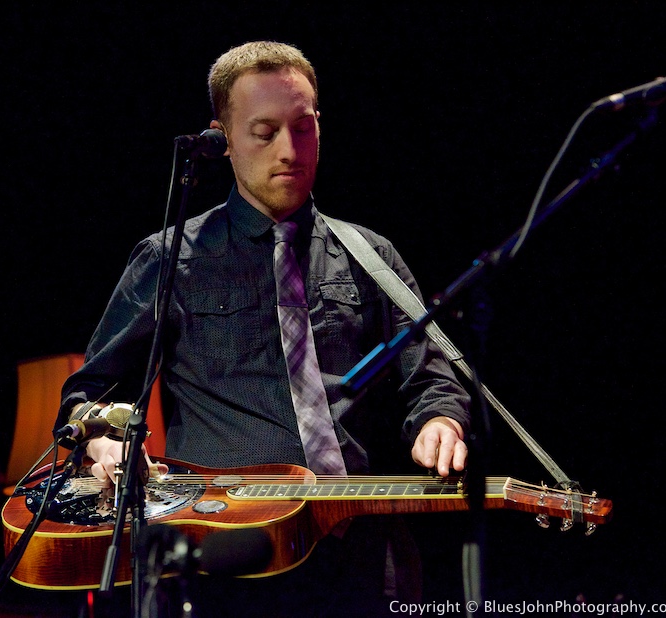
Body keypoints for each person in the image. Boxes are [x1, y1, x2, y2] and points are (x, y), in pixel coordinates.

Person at [56, 40, 472, 617]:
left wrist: (441, 419)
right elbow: (92, 394)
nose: (289, 149)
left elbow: (428, 377)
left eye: (304, 128)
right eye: (264, 131)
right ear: (223, 137)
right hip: (225, 559)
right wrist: (101, 439)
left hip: (364, 557)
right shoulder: (172, 257)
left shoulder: (371, 255)